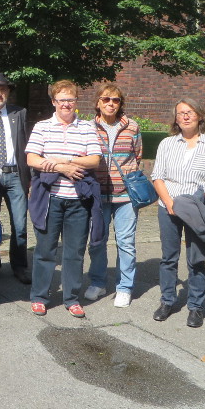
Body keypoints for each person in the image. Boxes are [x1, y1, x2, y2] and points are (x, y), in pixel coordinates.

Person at [25, 80, 102, 318]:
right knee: (45, 250)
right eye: (61, 100)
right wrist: (63, 167)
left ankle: (71, 298)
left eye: (70, 99)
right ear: (53, 102)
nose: (66, 104)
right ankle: (39, 297)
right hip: (50, 199)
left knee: (75, 252)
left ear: (76, 101)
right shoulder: (42, 127)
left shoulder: (87, 127)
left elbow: (94, 160)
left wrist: (63, 161)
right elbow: (32, 159)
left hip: (78, 201)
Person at [151, 98, 205, 328]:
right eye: (180, 113)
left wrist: (195, 205)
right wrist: (169, 202)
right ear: (175, 118)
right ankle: (167, 301)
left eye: (190, 112)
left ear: (199, 115)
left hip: (197, 209)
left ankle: (196, 306)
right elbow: (157, 176)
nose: (185, 116)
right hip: (168, 207)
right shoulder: (167, 143)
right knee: (169, 258)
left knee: (196, 259)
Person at [84, 84, 143, 308]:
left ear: (121, 103)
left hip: (125, 196)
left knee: (126, 242)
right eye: (106, 99)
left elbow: (137, 156)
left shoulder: (132, 127)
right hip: (97, 195)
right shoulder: (88, 128)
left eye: (115, 100)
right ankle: (98, 282)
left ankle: (124, 287)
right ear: (98, 102)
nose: (111, 103)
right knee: (97, 241)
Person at [0, 72, 32, 284]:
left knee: (20, 224)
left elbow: (27, 145)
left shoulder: (19, 113)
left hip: (15, 175)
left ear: (8, 92)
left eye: (2, 89)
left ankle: (19, 266)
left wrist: (29, 178)